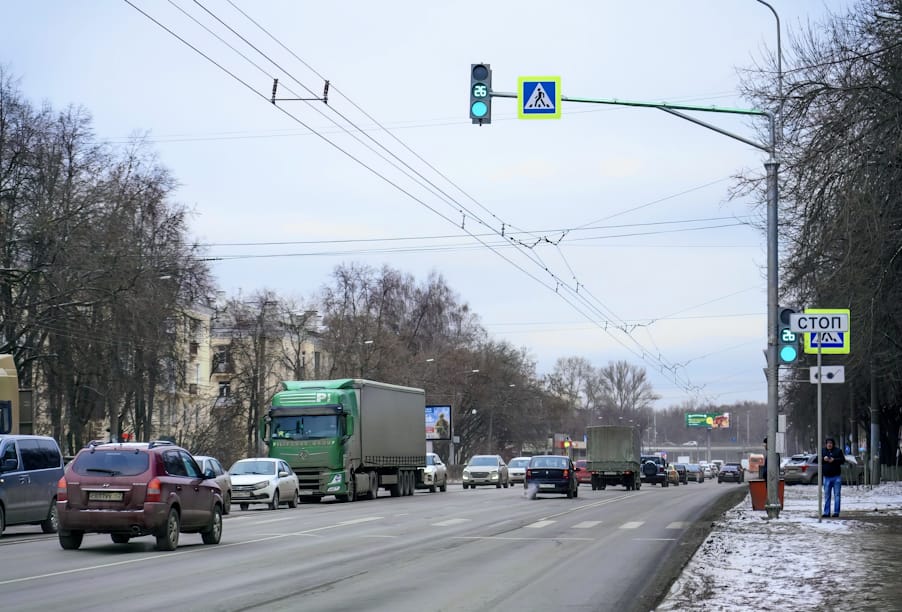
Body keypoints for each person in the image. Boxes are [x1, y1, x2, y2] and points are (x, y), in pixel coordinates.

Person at [822, 437, 845, 517]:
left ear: (833, 444)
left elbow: (842, 460)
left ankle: (836, 512)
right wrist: (823, 459)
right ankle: (826, 512)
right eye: (828, 443)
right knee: (827, 495)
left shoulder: (838, 451)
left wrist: (834, 460)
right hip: (826, 477)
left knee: (837, 495)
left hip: (836, 477)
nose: (829, 444)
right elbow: (817, 460)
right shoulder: (823, 451)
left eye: (831, 443)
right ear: (826, 444)